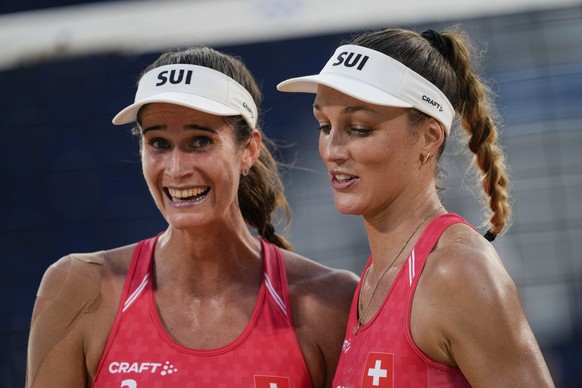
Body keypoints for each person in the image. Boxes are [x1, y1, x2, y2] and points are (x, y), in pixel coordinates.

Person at [26, 46, 359, 387]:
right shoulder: (77, 288)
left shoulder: (328, 301)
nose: (177, 168)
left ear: (248, 151)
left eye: (200, 141)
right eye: (158, 143)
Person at [277, 26, 555, 386]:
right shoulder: (374, 278)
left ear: (428, 137)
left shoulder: (456, 271)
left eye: (360, 128)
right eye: (324, 125)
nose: (332, 150)